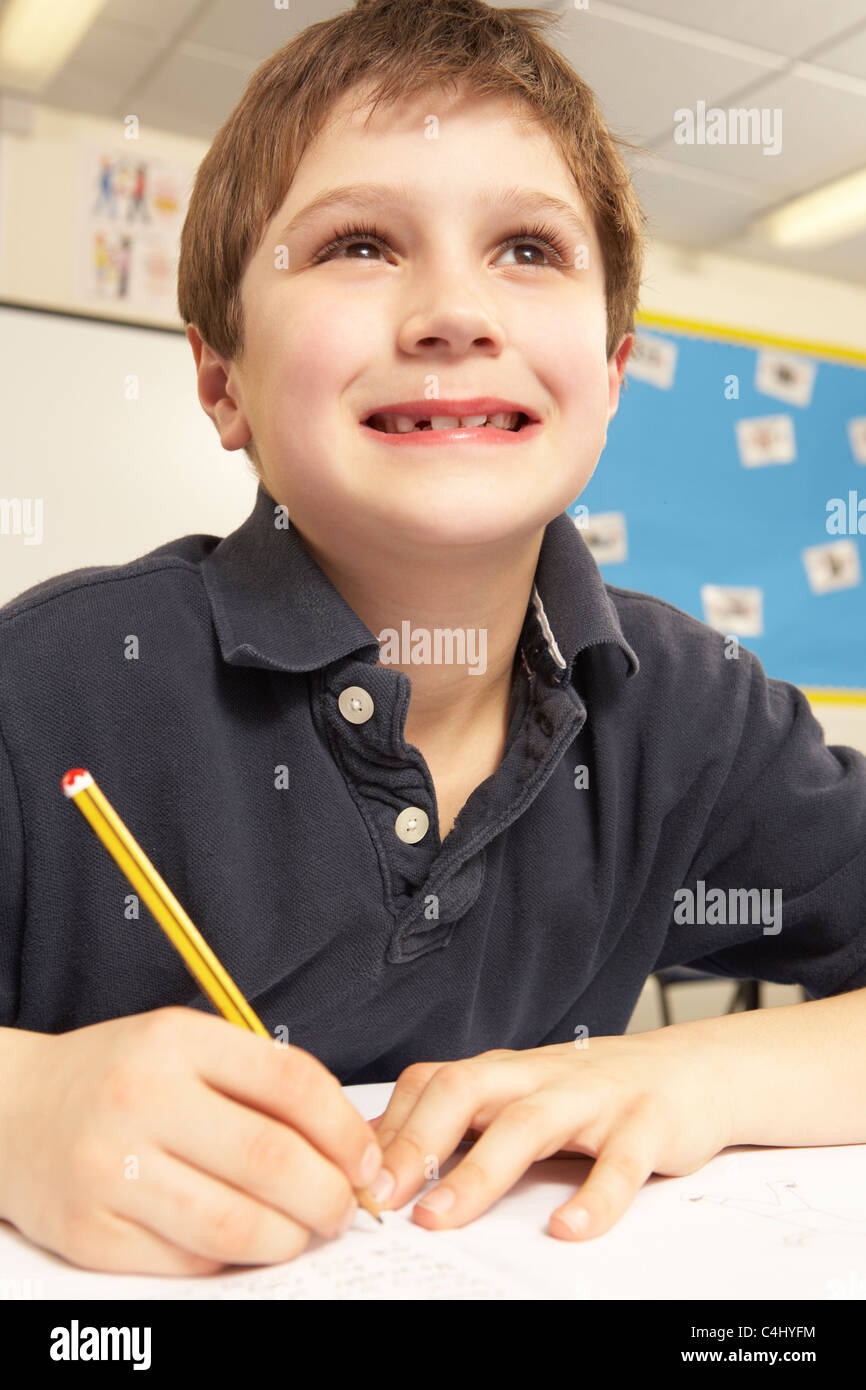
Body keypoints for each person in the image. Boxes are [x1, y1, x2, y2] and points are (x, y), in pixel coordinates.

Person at [1, 0, 864, 1279]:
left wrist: (695, 1075)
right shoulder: (53, 683)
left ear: (612, 372)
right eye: (357, 243)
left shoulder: (694, 711)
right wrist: (20, 1110)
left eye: (526, 247)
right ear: (221, 378)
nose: (454, 311)